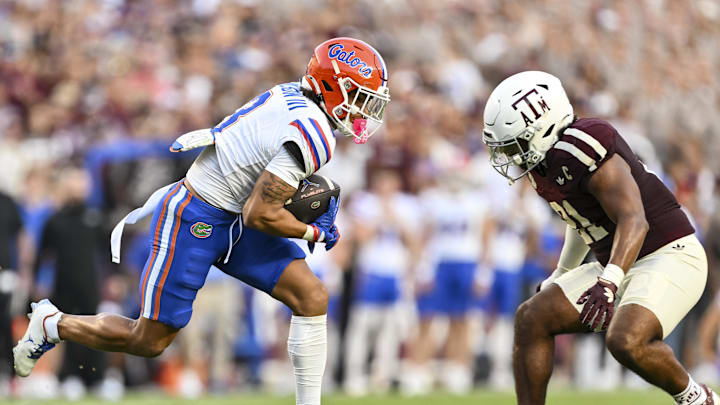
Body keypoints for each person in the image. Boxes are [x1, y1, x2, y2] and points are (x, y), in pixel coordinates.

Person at [14, 37, 390, 405]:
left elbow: (256, 188)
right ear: (331, 87)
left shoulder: (293, 94)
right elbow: (259, 215)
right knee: (148, 341)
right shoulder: (314, 133)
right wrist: (313, 230)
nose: (363, 111)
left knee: (311, 295)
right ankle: (54, 324)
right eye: (358, 97)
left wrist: (294, 198)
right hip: (195, 217)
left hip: (234, 217)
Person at [481, 71, 716, 405]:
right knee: (531, 318)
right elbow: (581, 221)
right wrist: (562, 274)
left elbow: (635, 220)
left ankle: (697, 398)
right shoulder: (544, 164)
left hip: (669, 254)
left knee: (626, 340)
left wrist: (608, 282)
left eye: (516, 144)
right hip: (621, 261)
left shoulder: (584, 143)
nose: (512, 156)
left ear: (543, 126)